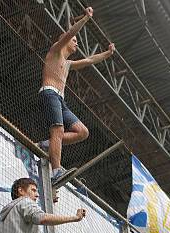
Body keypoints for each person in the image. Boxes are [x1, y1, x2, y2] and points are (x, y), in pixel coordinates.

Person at [39, 6, 115, 199]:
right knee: (57, 129)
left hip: (61, 100)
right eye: (74, 41)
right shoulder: (55, 51)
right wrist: (86, 19)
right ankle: (56, 171)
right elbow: (70, 32)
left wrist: (107, 54)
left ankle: (48, 144)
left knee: (82, 132)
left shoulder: (68, 63)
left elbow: (89, 60)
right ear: (64, 40)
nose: (77, 43)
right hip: (49, 93)